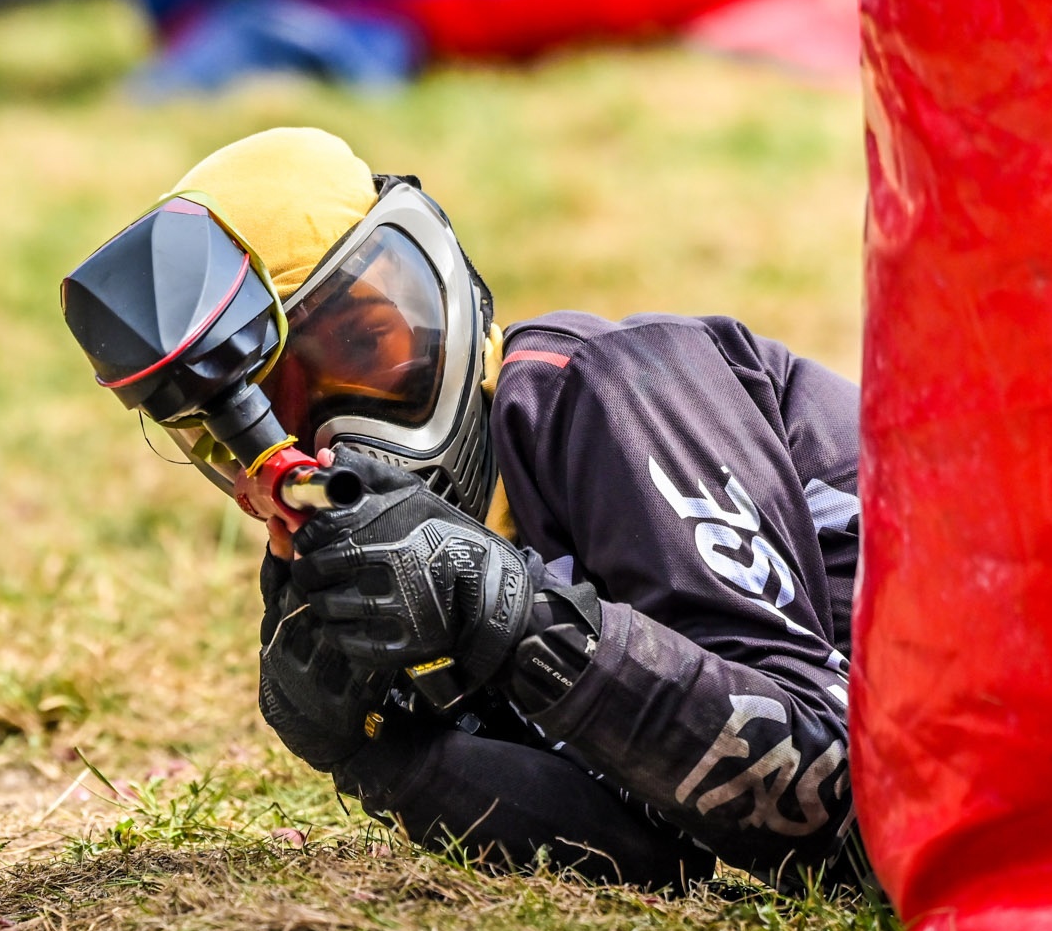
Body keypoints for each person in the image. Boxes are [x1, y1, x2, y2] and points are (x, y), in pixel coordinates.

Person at [151, 126, 860, 890]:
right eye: (256, 421)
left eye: (361, 343)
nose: (330, 436)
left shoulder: (608, 385)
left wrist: (514, 617)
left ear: (438, 284)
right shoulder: (423, 552)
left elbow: (842, 800)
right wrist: (379, 752)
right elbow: (644, 854)